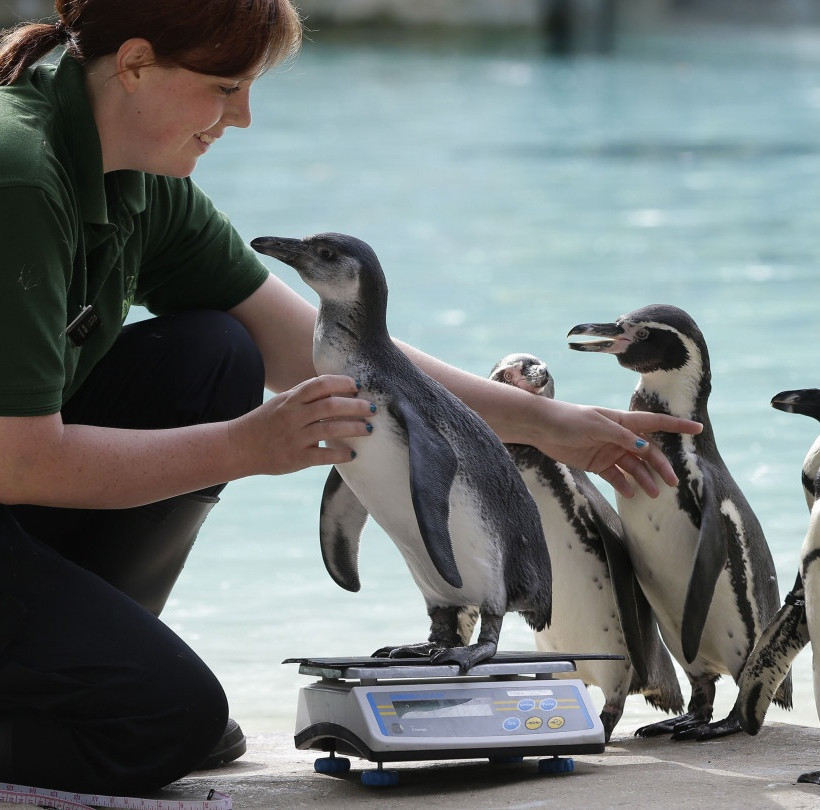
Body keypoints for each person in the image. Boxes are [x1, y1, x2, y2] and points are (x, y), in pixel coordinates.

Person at [0, 0, 701, 796]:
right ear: (133, 65)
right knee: (164, 725)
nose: (245, 116)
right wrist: (245, 448)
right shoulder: (21, 178)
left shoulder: (130, 173)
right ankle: (98, 693)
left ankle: (74, 673)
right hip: (12, 472)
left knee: (212, 352)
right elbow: (17, 459)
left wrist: (546, 424)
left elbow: (330, 348)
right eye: (226, 86)